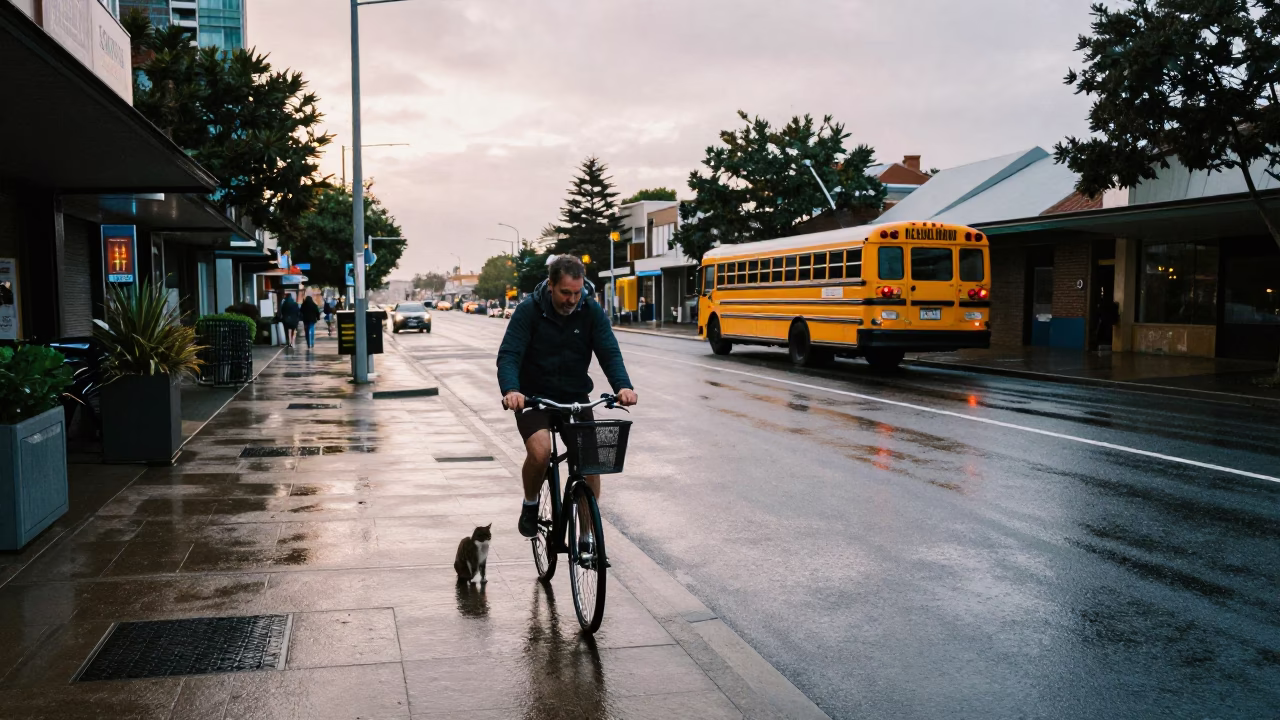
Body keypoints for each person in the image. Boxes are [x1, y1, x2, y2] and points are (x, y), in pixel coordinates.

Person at [496, 254, 638, 540]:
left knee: (590, 462)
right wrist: (512, 390)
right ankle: (530, 503)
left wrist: (623, 386)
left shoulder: (590, 310)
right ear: (550, 285)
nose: (572, 300)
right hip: (533, 397)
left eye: (577, 292)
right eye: (565, 293)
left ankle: (587, 538)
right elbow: (509, 354)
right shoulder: (528, 311)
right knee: (540, 452)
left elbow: (609, 352)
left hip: (574, 396)